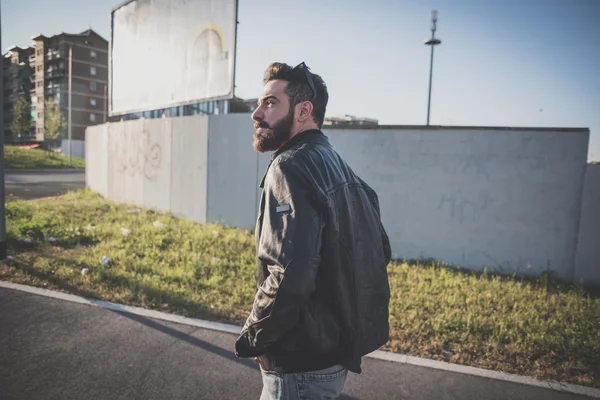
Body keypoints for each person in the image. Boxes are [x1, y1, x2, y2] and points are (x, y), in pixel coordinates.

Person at [234, 61, 391, 400]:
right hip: (330, 357)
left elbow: (289, 270)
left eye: (270, 103)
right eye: (260, 102)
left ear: (304, 110)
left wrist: (256, 336)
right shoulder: (337, 163)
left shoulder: (290, 167)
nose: (256, 113)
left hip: (299, 364)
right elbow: (379, 249)